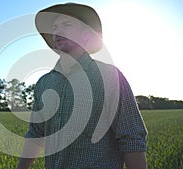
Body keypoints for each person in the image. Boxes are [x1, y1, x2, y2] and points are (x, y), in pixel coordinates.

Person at [17, 3, 147, 169]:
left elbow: (131, 139)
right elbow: (36, 134)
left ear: (86, 35)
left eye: (67, 25)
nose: (58, 30)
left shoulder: (109, 76)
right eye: (55, 27)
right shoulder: (44, 83)